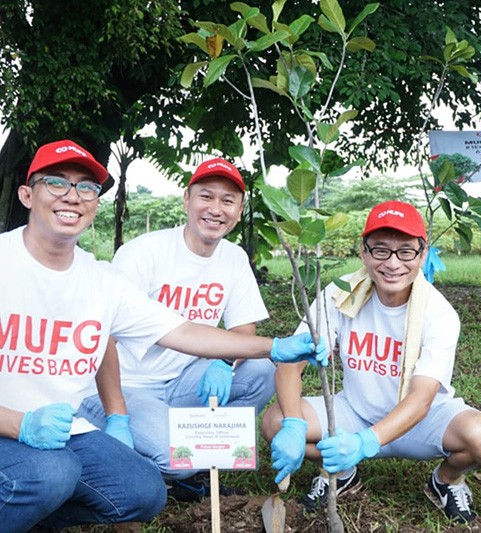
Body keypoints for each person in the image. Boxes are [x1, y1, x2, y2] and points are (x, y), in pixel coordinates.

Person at [0, 139, 327, 532]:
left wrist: (272, 347)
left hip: (66, 426)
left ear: (96, 204)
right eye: (57, 183)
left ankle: (32, 507)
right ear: (26, 194)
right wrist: (20, 424)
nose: (72, 196)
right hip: (16, 423)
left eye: (86, 187)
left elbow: (182, 331)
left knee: (145, 492)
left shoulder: (99, 280)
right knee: (54, 472)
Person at [261, 200, 481, 524]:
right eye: (381, 250)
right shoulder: (340, 294)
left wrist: (366, 442)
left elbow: (421, 400)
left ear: (422, 253)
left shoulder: (438, 312)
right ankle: (343, 472)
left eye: (405, 251)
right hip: (356, 412)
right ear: (364, 252)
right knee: (274, 422)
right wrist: (293, 424)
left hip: (421, 422)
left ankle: (445, 481)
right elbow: (292, 362)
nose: (393, 264)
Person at [78, 157, 275, 502]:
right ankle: (143, 453)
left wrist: (223, 363)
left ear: (239, 210)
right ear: (186, 200)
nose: (216, 209)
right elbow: (101, 333)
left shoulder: (233, 258)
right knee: (178, 456)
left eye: (227, 201)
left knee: (261, 368)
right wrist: (117, 410)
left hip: (184, 380)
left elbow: (245, 333)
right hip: (129, 384)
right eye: (206, 197)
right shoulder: (143, 253)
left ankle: (198, 450)